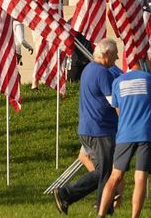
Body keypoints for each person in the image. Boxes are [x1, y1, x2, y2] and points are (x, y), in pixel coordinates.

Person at [55, 39, 120, 215]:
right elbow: (114, 102)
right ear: (106, 55)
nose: (117, 57)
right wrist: (125, 121)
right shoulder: (103, 73)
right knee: (105, 172)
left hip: (87, 128)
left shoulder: (89, 69)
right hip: (101, 129)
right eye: (115, 55)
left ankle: (98, 204)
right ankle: (72, 196)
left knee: (102, 172)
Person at [97, 57, 151, 218]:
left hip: (124, 133)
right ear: (143, 63)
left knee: (115, 175)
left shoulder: (118, 82)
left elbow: (117, 109)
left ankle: (101, 213)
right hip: (146, 133)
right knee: (140, 176)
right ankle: (134, 216)